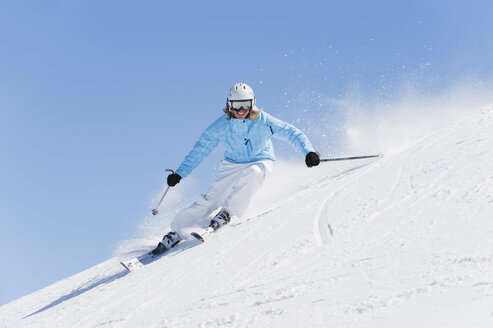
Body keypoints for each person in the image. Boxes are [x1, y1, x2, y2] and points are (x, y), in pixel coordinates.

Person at [151, 83, 320, 255]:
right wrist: (180, 173)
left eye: (245, 105)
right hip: (232, 162)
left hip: (261, 159)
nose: (241, 110)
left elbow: (292, 133)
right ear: (229, 105)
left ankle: (227, 213)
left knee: (253, 173)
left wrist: (309, 152)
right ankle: (178, 231)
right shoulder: (221, 126)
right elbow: (199, 151)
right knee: (211, 198)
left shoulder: (264, 121)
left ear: (252, 104)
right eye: (236, 106)